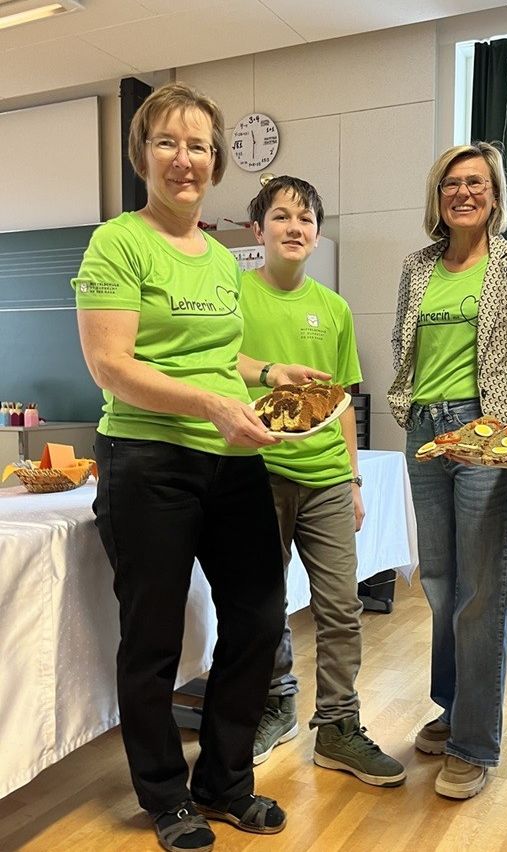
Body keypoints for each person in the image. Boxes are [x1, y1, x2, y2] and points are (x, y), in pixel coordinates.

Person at [72, 83, 329, 852]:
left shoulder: (220, 256)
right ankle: (164, 796)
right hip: (148, 460)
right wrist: (211, 405)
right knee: (150, 638)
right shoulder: (118, 242)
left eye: (198, 146)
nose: (184, 160)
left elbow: (214, 358)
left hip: (229, 459)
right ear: (142, 155)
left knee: (256, 617)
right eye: (167, 144)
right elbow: (111, 366)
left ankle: (224, 783)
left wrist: (262, 373)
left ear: (215, 162)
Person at [387, 142, 507, 798]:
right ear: (438, 196)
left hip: (488, 433)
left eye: (476, 183)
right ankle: (452, 707)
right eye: (452, 183)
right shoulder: (417, 265)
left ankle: (475, 742)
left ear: (494, 194)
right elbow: (403, 337)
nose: (463, 192)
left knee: (482, 590)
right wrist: (404, 406)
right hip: (427, 431)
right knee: (439, 580)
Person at [239, 175, 406, 787]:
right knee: (264, 606)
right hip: (256, 474)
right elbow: (210, 360)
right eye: (280, 217)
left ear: (316, 233)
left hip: (328, 483)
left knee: (341, 608)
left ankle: (337, 727)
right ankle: (274, 704)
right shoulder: (232, 295)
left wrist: (355, 480)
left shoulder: (332, 309)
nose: (294, 227)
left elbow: (340, 404)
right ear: (258, 231)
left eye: (305, 219)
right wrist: (266, 373)